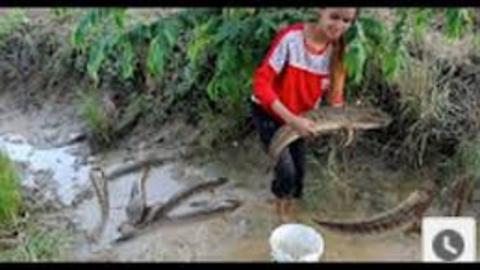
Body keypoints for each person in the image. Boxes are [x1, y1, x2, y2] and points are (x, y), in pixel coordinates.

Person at [250, 8, 359, 221]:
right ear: (320, 11)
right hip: (269, 113)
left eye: (347, 20)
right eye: (334, 17)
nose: (339, 25)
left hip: (301, 119)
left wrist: (345, 122)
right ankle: (281, 218)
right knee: (287, 171)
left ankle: (289, 208)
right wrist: (292, 120)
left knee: (299, 175)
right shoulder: (291, 39)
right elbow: (261, 86)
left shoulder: (338, 52)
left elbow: (336, 98)